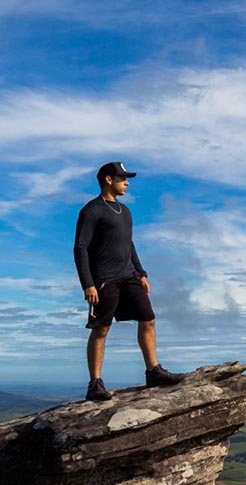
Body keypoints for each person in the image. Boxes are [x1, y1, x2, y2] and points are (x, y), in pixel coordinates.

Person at [74, 161, 185, 401]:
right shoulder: (91, 210)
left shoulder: (125, 211)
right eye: (122, 178)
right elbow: (80, 247)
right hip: (104, 280)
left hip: (129, 276)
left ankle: (153, 372)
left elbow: (129, 244)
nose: (127, 182)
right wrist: (88, 284)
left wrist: (141, 272)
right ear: (108, 180)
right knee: (101, 329)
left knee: (148, 319)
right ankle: (95, 384)